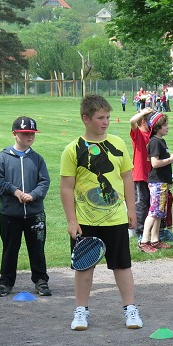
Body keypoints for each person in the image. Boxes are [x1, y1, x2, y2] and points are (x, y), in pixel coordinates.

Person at [60, 95, 140, 331]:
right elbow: (66, 187)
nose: (105, 122)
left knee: (122, 265)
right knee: (83, 266)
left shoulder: (118, 143)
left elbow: (127, 177)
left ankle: (130, 309)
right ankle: (81, 311)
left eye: (107, 117)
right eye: (100, 118)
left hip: (115, 217)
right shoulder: (73, 149)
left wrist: (131, 209)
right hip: (85, 220)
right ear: (86, 119)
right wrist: (71, 220)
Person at [0, 116, 51, 298]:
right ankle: (6, 282)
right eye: (25, 133)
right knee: (10, 249)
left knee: (37, 249)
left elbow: (44, 181)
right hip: (10, 214)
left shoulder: (37, 159)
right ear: (15, 134)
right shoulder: (3, 157)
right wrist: (14, 191)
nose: (29, 137)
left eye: (32, 133)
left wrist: (33, 195)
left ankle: (41, 281)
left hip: (35, 214)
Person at [139, 112, 173, 252]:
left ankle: (155, 240)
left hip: (162, 182)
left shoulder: (161, 141)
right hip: (157, 183)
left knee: (159, 213)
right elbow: (155, 163)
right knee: (154, 212)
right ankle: (144, 241)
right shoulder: (155, 142)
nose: (168, 127)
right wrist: (171, 159)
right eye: (165, 125)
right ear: (157, 127)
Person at [129, 106, 155, 245]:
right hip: (140, 176)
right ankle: (140, 232)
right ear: (144, 122)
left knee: (153, 204)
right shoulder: (138, 134)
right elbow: (132, 121)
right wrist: (143, 113)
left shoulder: (152, 134)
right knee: (141, 204)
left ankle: (152, 232)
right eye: (149, 120)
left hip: (152, 175)